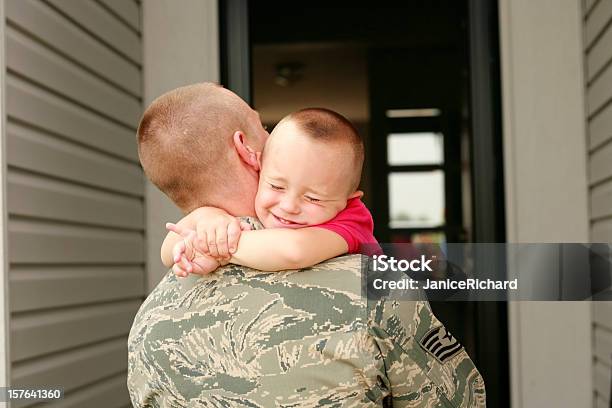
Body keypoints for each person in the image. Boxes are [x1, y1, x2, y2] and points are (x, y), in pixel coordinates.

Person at [127, 82, 486, 407]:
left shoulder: (146, 327)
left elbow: (290, 249)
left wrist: (214, 243)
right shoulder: (375, 290)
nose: (292, 204)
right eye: (262, 126)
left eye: (313, 197)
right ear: (248, 150)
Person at [161, 107, 378, 277]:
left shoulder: (353, 219)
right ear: (259, 167)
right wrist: (208, 217)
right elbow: (167, 250)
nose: (288, 206)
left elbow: (294, 251)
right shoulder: (252, 212)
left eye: (313, 198)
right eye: (276, 186)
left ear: (348, 200)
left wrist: (214, 248)